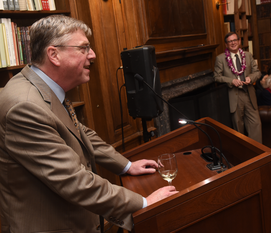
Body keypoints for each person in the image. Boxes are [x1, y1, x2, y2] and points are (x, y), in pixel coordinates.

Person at [0, 15, 178, 233]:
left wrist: (127, 166)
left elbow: (78, 131)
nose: (92, 55)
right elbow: (74, 181)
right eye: (84, 48)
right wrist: (143, 203)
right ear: (54, 54)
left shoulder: (44, 86)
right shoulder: (25, 106)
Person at [214, 32, 262, 143]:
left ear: (239, 41)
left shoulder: (248, 55)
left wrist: (251, 77)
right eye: (230, 41)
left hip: (249, 94)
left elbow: (257, 72)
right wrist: (231, 81)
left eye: (235, 40)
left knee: (256, 124)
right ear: (226, 44)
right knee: (238, 128)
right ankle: (244, 156)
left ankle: (259, 155)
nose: (233, 43)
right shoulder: (220, 58)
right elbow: (216, 77)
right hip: (234, 96)